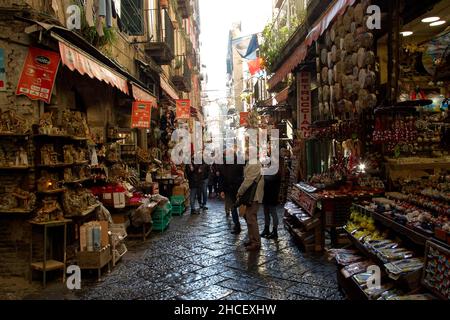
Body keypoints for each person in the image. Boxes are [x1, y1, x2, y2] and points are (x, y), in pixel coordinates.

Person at [236, 149, 264, 251]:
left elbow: (248, 181)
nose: (244, 155)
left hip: (253, 195)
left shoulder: (254, 164)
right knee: (249, 217)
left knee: (251, 218)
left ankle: (256, 242)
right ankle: (252, 239)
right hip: (252, 195)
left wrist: (240, 191)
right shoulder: (251, 163)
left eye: (246, 153)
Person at [218, 152, 244, 234]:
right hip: (229, 190)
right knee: (233, 208)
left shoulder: (239, 164)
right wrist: (221, 190)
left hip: (238, 189)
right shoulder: (223, 165)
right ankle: (237, 225)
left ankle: (245, 224)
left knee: (242, 208)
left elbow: (242, 177)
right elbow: (221, 179)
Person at [261, 169, 281, 239]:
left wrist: (263, 175)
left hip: (272, 195)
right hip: (266, 195)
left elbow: (269, 179)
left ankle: (275, 232)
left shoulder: (275, 172)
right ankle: (266, 229)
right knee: (266, 212)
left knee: (273, 213)